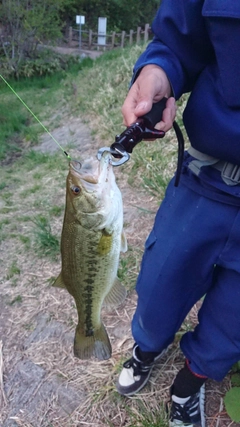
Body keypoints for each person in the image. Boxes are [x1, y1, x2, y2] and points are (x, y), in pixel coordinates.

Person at [116, 1, 240, 426]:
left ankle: (190, 383)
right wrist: (157, 74)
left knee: (233, 320)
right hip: (206, 180)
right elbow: (178, 41)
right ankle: (147, 346)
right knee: (160, 282)